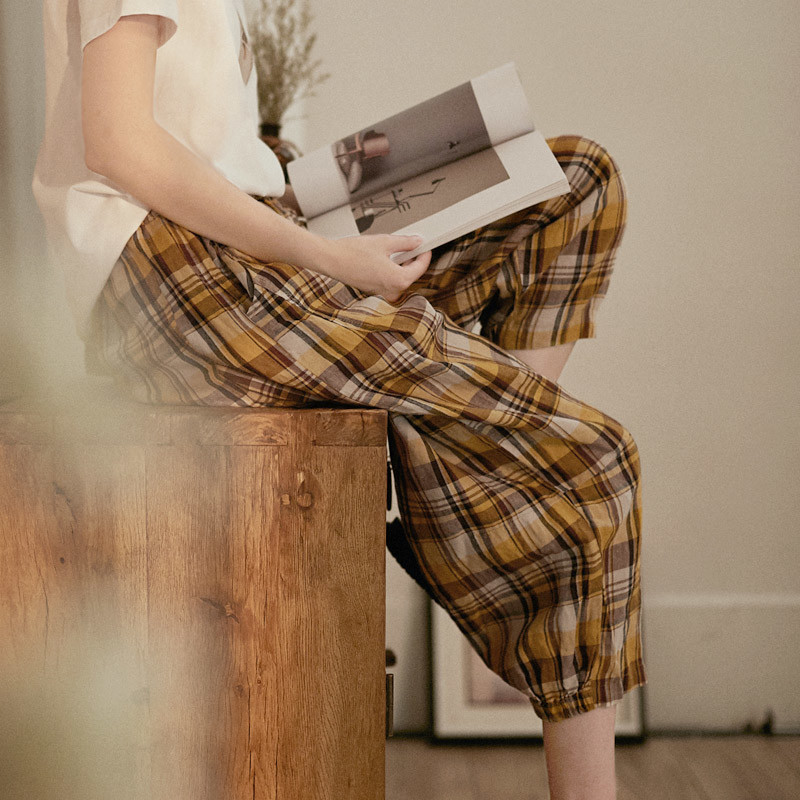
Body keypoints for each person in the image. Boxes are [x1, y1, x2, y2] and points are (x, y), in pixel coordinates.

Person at [33, 2, 647, 798]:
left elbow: (191, 135)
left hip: (255, 227)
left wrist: (315, 188)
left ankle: (462, 474)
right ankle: (486, 474)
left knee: (576, 180)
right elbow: (117, 142)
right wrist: (328, 255)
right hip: (174, 270)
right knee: (591, 464)